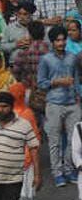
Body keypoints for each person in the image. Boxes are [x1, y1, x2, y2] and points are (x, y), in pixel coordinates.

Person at [37, 25, 80, 187]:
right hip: (53, 103)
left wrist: (78, 97)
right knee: (54, 141)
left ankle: (69, 169)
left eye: (63, 40)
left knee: (73, 140)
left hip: (72, 103)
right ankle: (58, 173)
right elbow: (41, 83)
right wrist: (57, 82)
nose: (61, 43)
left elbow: (76, 80)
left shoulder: (72, 57)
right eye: (58, 40)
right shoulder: (46, 59)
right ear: (52, 42)